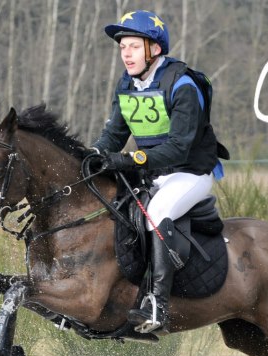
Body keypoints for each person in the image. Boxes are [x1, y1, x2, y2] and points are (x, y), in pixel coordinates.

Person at [90, 9, 226, 335]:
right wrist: (92, 156)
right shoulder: (127, 86)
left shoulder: (183, 84)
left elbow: (179, 148)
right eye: (123, 47)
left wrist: (129, 160)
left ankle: (157, 305)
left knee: (158, 210)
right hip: (153, 173)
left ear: (155, 49)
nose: (126, 53)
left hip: (191, 172)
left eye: (134, 46)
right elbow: (113, 137)